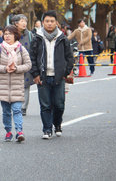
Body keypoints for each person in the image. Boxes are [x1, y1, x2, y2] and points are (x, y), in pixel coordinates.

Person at [30, 11, 74, 139]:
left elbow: (69, 58)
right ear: (43, 23)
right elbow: (32, 57)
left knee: (59, 104)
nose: (49, 24)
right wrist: (35, 74)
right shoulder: (37, 37)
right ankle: (47, 130)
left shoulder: (62, 38)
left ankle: (57, 124)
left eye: (52, 21)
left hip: (58, 77)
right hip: (42, 76)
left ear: (56, 23)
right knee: (45, 105)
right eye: (47, 21)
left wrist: (65, 73)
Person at [0, 25, 32, 142]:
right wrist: (5, 68)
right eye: (5, 34)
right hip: (3, 85)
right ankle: (8, 131)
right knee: (6, 112)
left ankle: (19, 131)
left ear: (15, 35)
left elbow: (28, 64)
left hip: (17, 84)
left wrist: (17, 68)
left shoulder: (21, 48)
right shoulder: (0, 48)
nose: (7, 36)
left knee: (17, 109)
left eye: (10, 34)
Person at [11, 14, 33, 116]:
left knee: (25, 86)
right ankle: (14, 105)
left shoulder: (30, 35)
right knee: (14, 85)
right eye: (22, 21)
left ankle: (23, 107)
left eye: (25, 21)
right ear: (16, 23)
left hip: (26, 64)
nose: (24, 23)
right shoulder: (10, 34)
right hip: (13, 63)